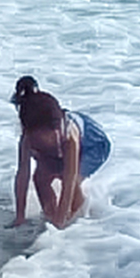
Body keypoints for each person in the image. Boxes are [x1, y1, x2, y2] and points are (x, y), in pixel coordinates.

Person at [11, 75, 111, 227]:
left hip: (93, 145)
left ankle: (78, 219)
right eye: (43, 140)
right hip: (53, 146)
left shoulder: (69, 136)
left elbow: (69, 180)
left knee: (71, 178)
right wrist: (20, 217)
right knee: (40, 178)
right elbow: (22, 175)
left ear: (58, 127)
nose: (55, 139)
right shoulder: (27, 139)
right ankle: (49, 216)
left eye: (55, 133)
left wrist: (60, 223)